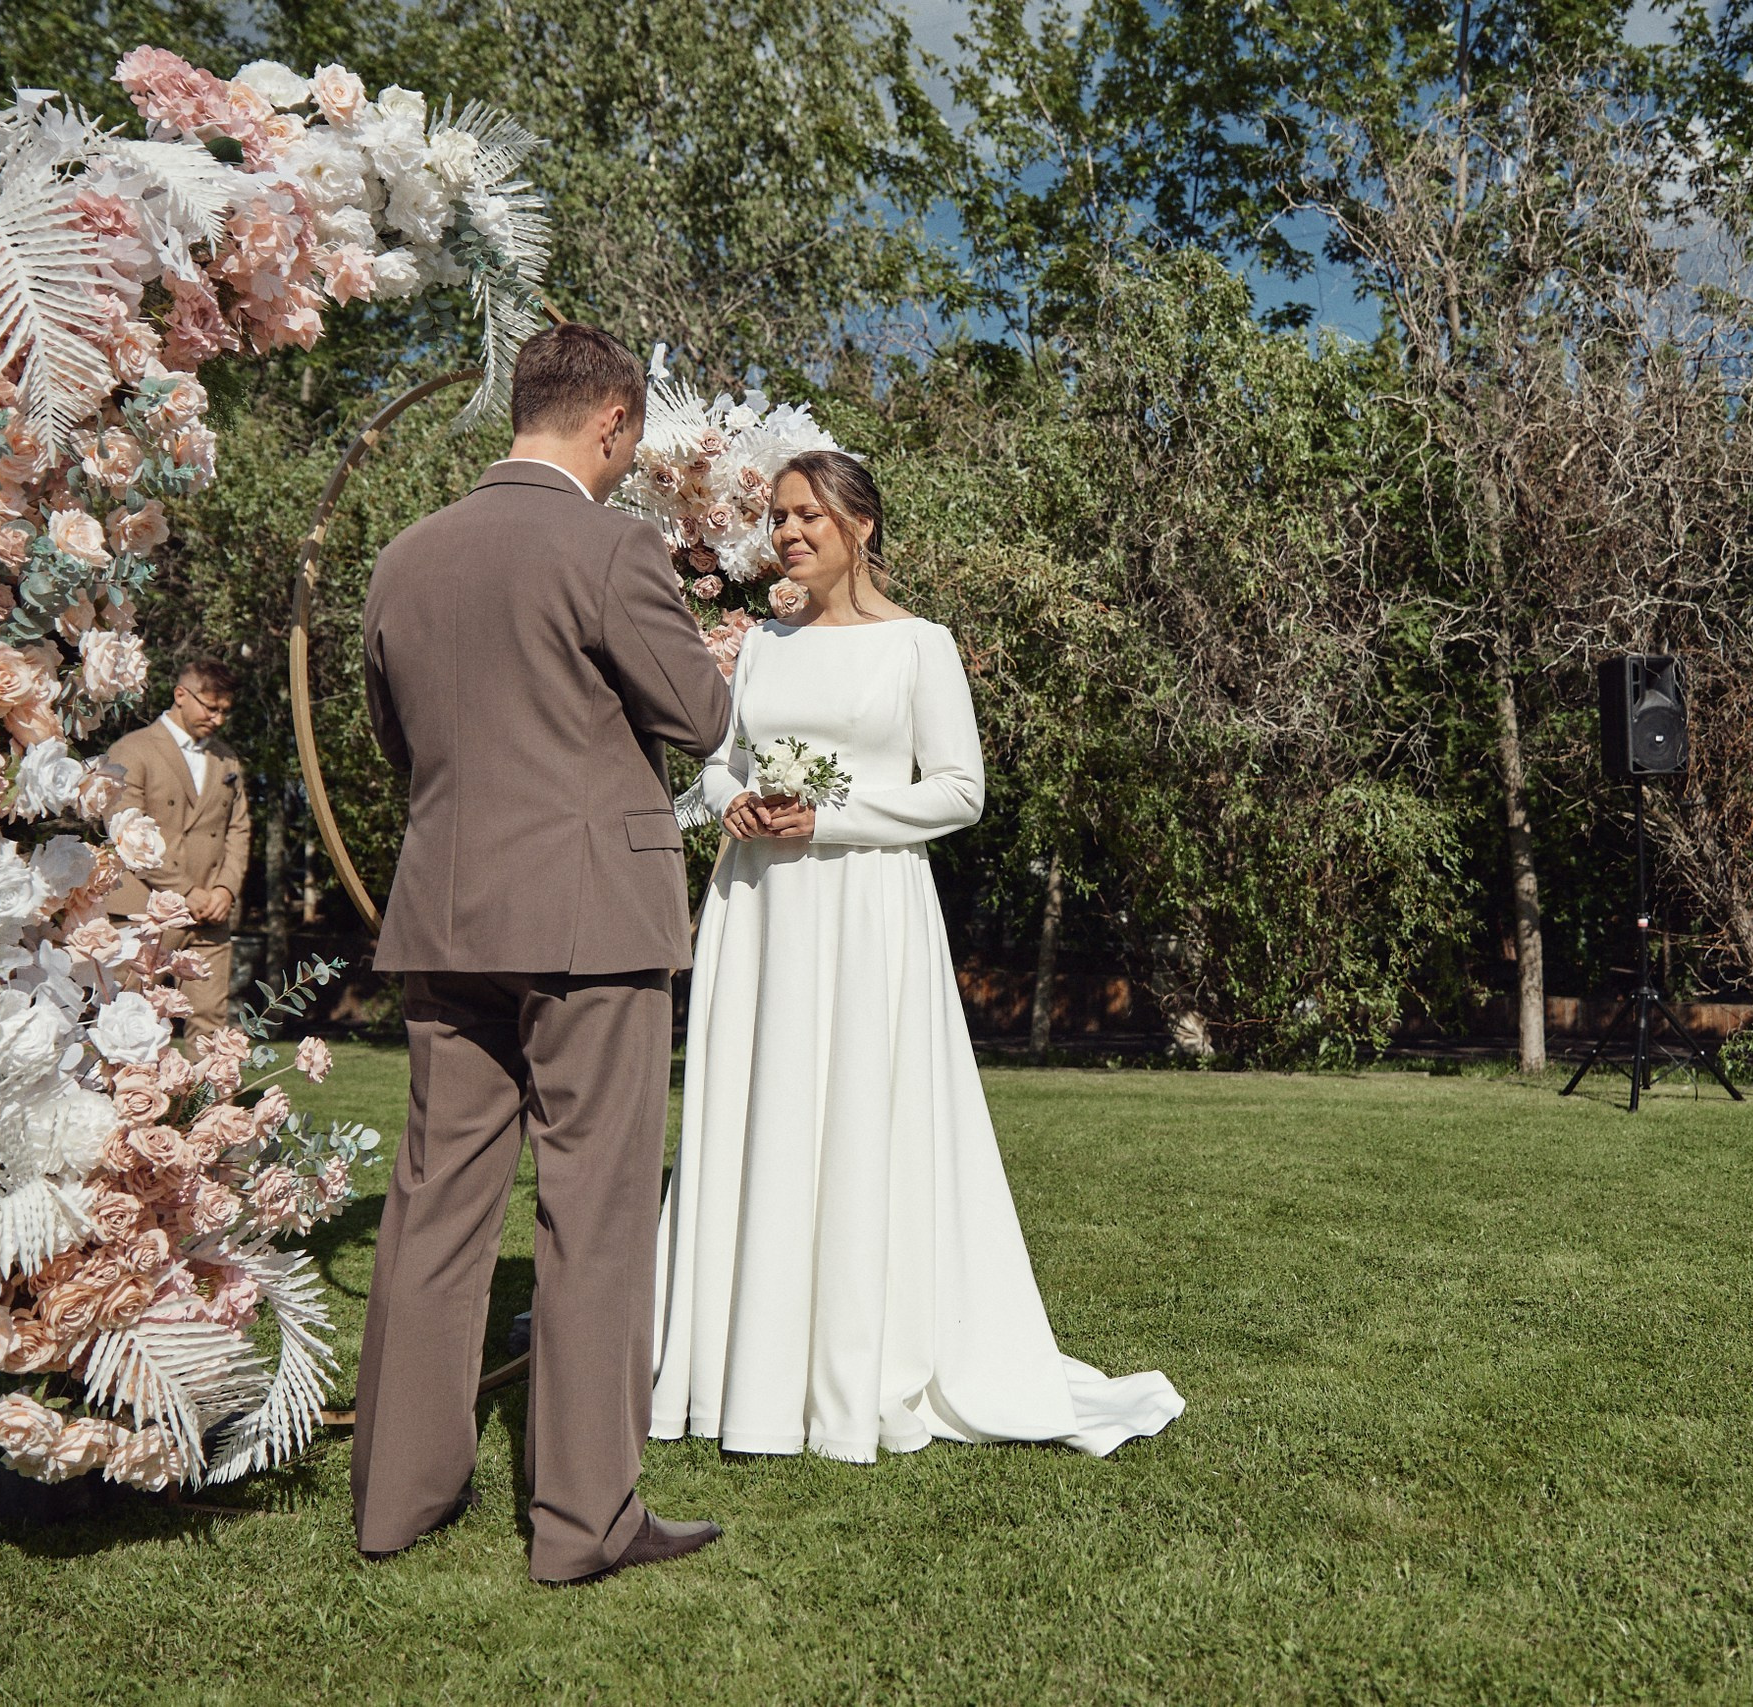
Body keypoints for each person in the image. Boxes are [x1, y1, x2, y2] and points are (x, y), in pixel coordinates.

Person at [651, 451, 1184, 1464]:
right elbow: (718, 765)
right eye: (778, 516)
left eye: (807, 515)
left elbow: (958, 791)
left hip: (865, 907)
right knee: (760, 1108)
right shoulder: (759, 646)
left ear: (860, 525)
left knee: (855, 1110)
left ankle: (851, 1359)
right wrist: (738, 804)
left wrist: (832, 816)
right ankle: (737, 1363)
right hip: (759, 906)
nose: (787, 532)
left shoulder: (918, 646)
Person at [349, 324, 736, 1583]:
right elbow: (701, 716)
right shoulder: (611, 546)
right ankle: (583, 1521)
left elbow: (396, 742)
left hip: (446, 914)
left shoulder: (404, 556)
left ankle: (397, 1501)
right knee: (594, 1215)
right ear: (612, 421)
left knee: (434, 1208)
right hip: (590, 922)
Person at [104, 656, 250, 1040]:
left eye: (225, 711)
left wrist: (225, 890)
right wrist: (185, 891)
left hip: (210, 917)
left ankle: (211, 1086)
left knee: (210, 1027)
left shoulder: (226, 759)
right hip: (145, 911)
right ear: (181, 695)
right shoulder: (131, 750)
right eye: (211, 707)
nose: (218, 719)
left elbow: (239, 830)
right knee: (126, 1020)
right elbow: (126, 831)